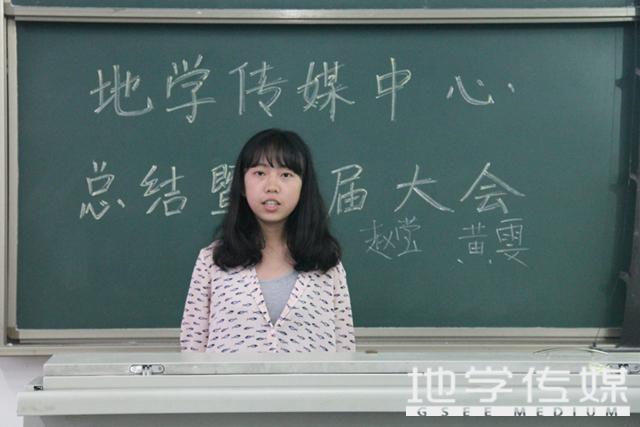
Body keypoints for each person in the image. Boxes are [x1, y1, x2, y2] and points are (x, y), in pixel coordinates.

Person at [180, 129, 356, 353]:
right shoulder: (212, 261)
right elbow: (191, 351)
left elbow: (345, 353)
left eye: (286, 175)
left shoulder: (327, 263)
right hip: (227, 379)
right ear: (242, 185)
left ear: (303, 187)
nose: (272, 186)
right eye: (260, 173)